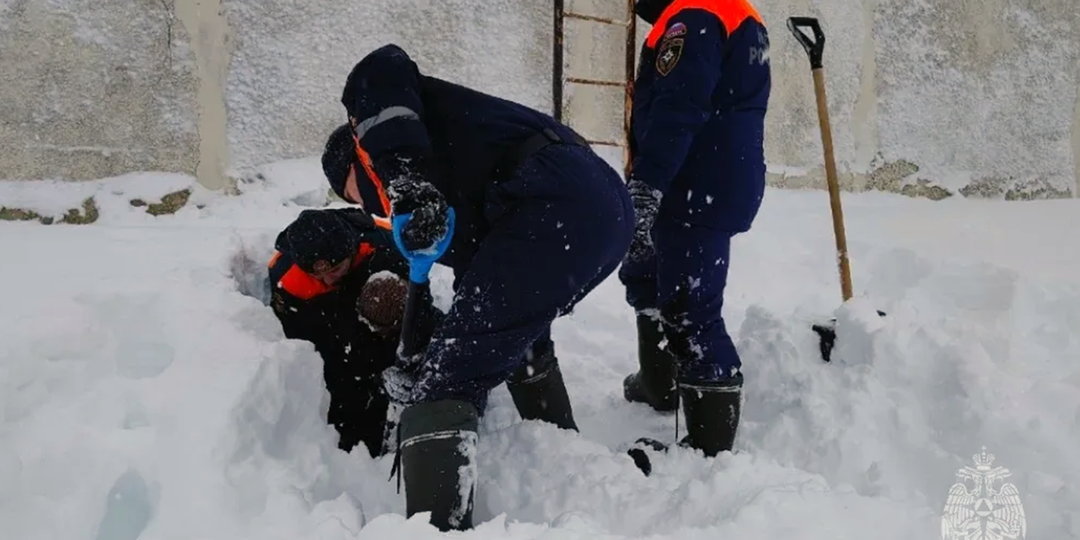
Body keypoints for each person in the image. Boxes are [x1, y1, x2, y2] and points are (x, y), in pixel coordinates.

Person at [319, 44, 634, 531]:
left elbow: (383, 63)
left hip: (555, 197)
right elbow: (479, 281)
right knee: (513, 339)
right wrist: (429, 350)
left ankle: (435, 530)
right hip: (596, 207)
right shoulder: (447, 183)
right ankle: (558, 455)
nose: (367, 206)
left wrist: (404, 179)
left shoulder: (381, 131)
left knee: (450, 378)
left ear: (357, 157)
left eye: (352, 192)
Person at [617, 0, 772, 458]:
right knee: (645, 272)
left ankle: (708, 445)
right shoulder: (728, 12)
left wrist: (646, 186)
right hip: (700, 177)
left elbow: (678, 108)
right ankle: (660, 381)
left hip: (695, 183)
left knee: (690, 308)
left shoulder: (697, 13)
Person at [267, 207, 431, 459]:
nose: (328, 280)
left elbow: (419, 304)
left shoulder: (384, 244)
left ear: (351, 251)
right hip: (330, 328)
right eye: (317, 275)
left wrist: (404, 358)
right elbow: (301, 339)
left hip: (379, 322)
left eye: (335, 269)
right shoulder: (287, 277)